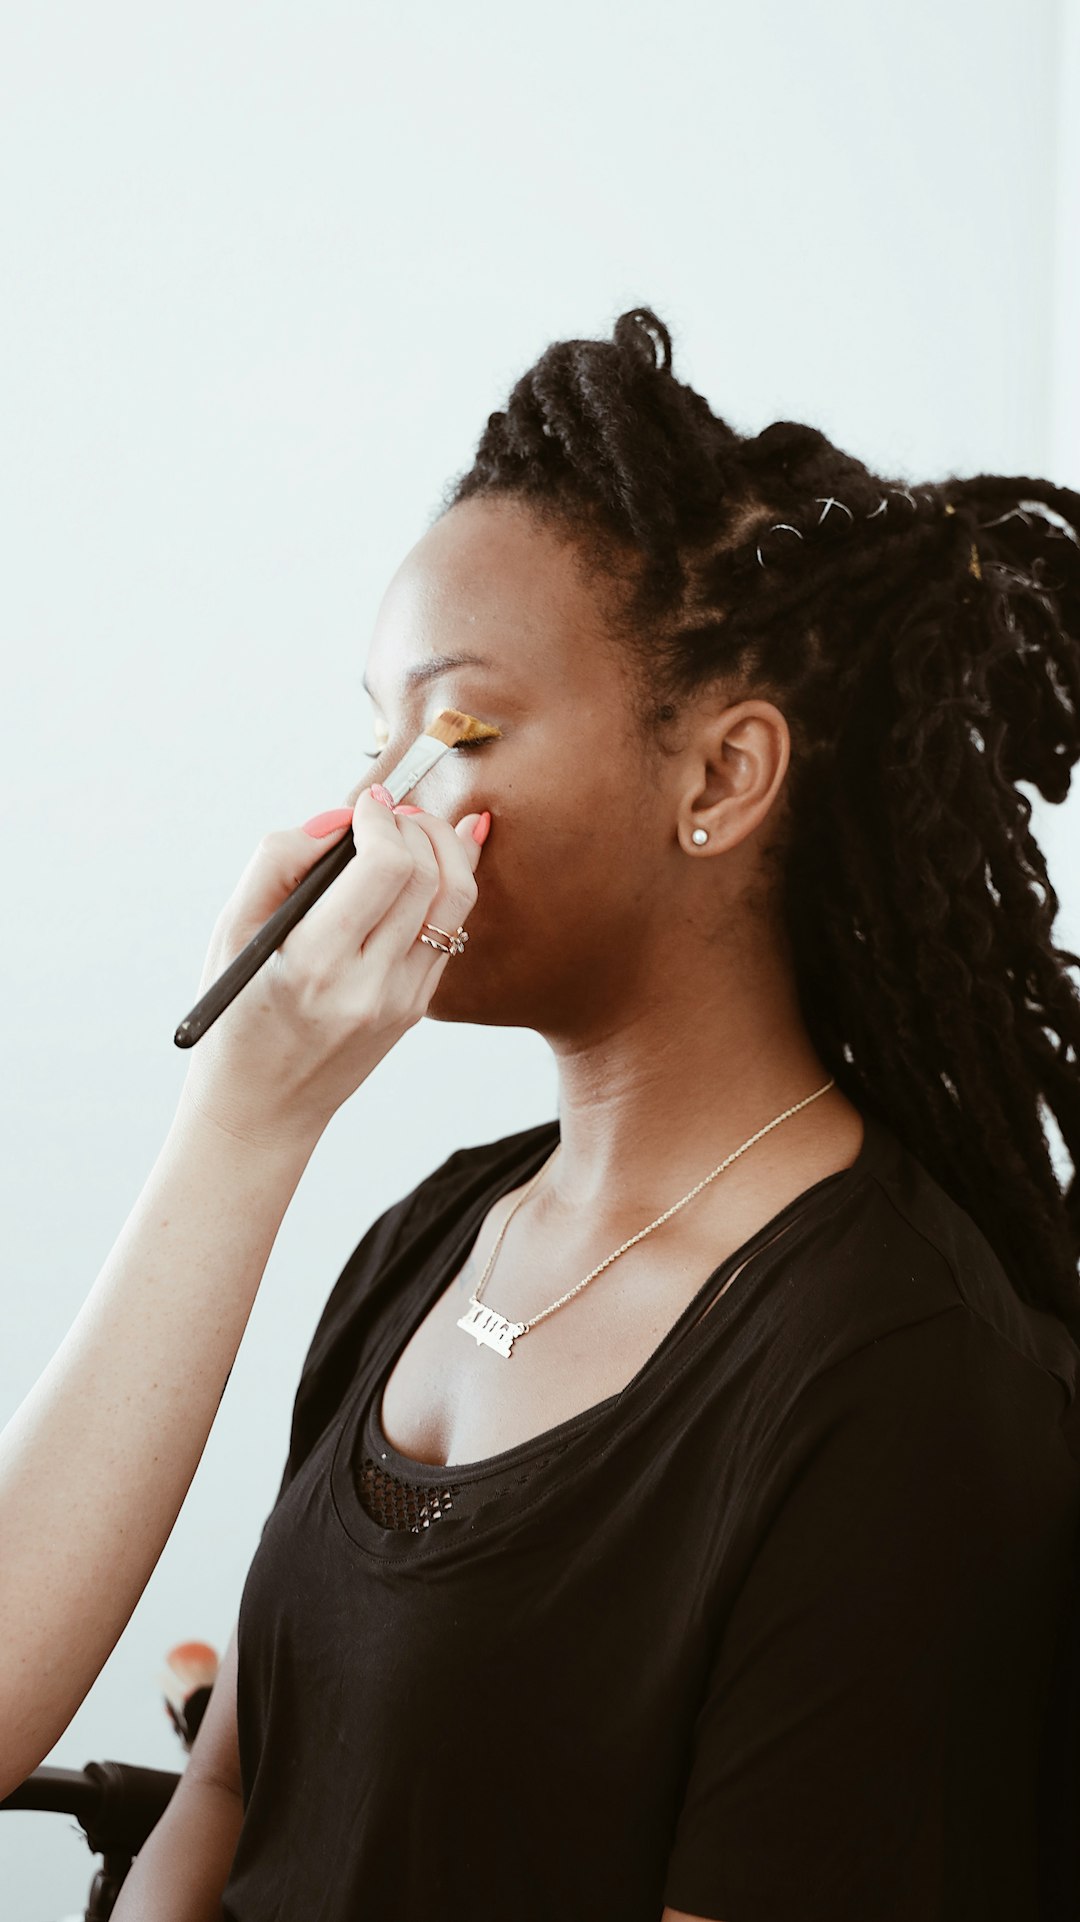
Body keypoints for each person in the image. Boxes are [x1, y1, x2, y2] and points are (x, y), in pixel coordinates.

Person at [114, 306, 1080, 1921]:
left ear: (718, 779)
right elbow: (229, 1783)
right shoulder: (432, 1235)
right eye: (378, 736)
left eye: (462, 726)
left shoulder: (906, 1387)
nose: (382, 808)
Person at [0, 779, 490, 1802]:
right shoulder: (428, 1245)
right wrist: (241, 1117)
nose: (405, 809)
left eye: (466, 730)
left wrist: (246, 1117)